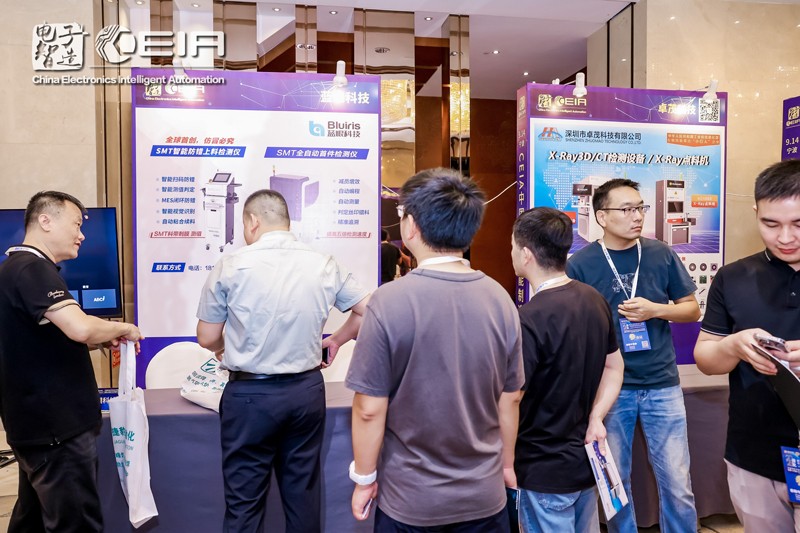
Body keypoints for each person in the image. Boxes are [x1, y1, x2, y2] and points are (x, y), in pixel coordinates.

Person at [345, 167, 523, 531]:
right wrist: (507, 465)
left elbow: (368, 409)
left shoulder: (388, 301)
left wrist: (364, 478)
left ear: (411, 226)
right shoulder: (500, 299)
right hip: (485, 497)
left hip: (411, 500)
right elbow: (511, 398)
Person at [196, 189, 369, 533]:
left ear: (252, 221)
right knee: (302, 497)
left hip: (249, 397)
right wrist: (336, 339)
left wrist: (225, 347)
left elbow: (206, 337)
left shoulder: (231, 265)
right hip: (305, 392)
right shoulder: (323, 262)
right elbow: (369, 310)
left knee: (244, 504)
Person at [0, 191, 143, 533]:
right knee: (75, 524)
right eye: (77, 224)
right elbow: (80, 327)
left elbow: (40, 342)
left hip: (35, 425)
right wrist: (124, 328)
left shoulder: (14, 268)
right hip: (57, 429)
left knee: (32, 521)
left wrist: (101, 339)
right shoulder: (33, 268)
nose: (81, 235)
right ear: (45, 221)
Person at [567, 178, 699, 533]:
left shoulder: (660, 253)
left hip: (662, 382)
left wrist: (655, 310)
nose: (637, 216)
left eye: (640, 208)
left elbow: (691, 310)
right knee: (615, 482)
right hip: (610, 388)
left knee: (678, 483)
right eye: (626, 209)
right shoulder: (580, 264)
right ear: (602, 217)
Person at [694, 160, 800, 531]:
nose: (785, 237)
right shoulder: (733, 277)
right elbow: (706, 358)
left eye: (798, 224)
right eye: (770, 224)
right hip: (751, 454)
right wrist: (735, 346)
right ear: (755, 211)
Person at [512, 207, 624, 532]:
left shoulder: (529, 318)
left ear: (526, 254)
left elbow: (513, 396)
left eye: (512, 246)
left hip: (542, 469)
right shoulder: (594, 300)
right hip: (584, 463)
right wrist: (596, 417)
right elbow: (615, 367)